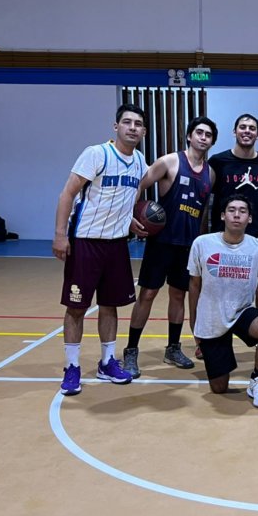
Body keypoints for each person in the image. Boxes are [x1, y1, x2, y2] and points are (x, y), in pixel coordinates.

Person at [52, 104, 148, 396]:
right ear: (115, 126)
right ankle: (72, 367)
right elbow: (68, 192)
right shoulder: (97, 154)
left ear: (143, 132)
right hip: (85, 242)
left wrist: (128, 219)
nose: (132, 127)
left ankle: (108, 362)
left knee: (110, 305)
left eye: (138, 124)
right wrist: (59, 234)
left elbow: (128, 196)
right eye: (127, 122)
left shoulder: (141, 161)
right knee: (77, 306)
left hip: (117, 245)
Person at [122, 116, 217, 378]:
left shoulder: (210, 173)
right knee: (148, 295)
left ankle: (173, 348)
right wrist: (131, 216)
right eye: (199, 132)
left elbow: (203, 211)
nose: (203, 138)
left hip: (187, 246)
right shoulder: (170, 161)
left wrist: (200, 244)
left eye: (208, 135)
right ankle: (131, 350)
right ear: (189, 136)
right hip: (161, 242)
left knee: (178, 296)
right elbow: (138, 186)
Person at [187, 194, 258, 408]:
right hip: (211, 317)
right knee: (219, 388)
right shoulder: (202, 244)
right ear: (222, 215)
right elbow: (194, 285)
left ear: (250, 219)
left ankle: (257, 382)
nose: (237, 215)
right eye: (231, 210)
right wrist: (194, 323)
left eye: (242, 211)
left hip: (242, 312)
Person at [208, 113, 258, 316]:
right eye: (243, 127)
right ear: (234, 131)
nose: (247, 131)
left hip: (257, 233)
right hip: (223, 235)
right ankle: (216, 337)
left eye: (252, 128)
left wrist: (256, 204)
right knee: (220, 287)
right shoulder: (218, 161)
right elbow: (207, 194)